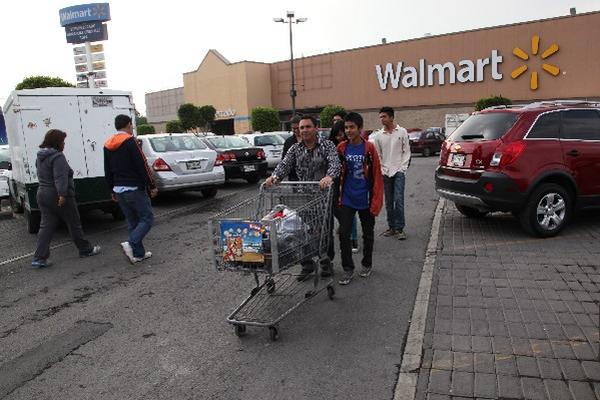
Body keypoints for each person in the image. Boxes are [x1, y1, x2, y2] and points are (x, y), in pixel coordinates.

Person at [265, 115, 341, 281]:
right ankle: (306, 264)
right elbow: (284, 165)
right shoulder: (295, 148)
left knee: (322, 232)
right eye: (302, 128)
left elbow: (335, 163)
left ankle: (326, 262)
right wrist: (274, 177)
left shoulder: (327, 145)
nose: (304, 130)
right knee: (301, 231)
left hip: (322, 197)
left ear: (316, 128)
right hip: (302, 197)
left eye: (308, 127)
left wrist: (329, 176)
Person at [32, 129, 101, 268]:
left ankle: (39, 258)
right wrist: (63, 194)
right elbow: (60, 177)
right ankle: (85, 249)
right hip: (58, 195)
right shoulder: (57, 157)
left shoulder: (40, 157)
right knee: (74, 223)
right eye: (63, 141)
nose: (64, 144)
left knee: (46, 226)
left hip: (42, 193)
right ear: (57, 142)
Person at [336, 112, 383, 285]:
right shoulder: (341, 147)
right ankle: (348, 268)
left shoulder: (369, 148)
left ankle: (367, 263)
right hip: (347, 198)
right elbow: (336, 172)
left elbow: (377, 175)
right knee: (343, 233)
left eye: (352, 127)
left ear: (360, 128)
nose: (348, 131)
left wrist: (376, 201)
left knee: (368, 234)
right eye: (346, 127)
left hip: (365, 199)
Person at [104, 115, 158, 264]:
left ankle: (138, 254)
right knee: (147, 218)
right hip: (134, 188)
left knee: (132, 221)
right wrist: (151, 185)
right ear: (128, 125)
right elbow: (142, 164)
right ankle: (132, 243)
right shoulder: (130, 142)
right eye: (131, 126)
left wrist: (111, 190)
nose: (132, 128)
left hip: (119, 189)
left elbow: (107, 170)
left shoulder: (108, 145)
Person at [370, 107, 411, 240]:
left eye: (384, 117)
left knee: (398, 200)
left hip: (399, 170)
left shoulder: (402, 131)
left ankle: (400, 228)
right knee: (388, 201)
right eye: (380, 117)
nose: (382, 119)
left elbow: (406, 151)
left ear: (392, 117)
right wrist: (382, 169)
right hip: (385, 172)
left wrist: (403, 168)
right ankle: (391, 227)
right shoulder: (378, 135)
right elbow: (378, 154)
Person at [329, 121, 360, 253]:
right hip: (335, 185)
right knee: (337, 212)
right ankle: (344, 230)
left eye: (341, 135)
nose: (339, 138)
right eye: (336, 136)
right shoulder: (331, 147)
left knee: (350, 213)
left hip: (349, 184)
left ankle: (353, 239)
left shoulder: (352, 147)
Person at [281, 115, 302, 181]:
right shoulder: (289, 141)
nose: (295, 130)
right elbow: (284, 160)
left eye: (297, 128)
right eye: (293, 128)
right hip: (294, 177)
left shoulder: (309, 139)